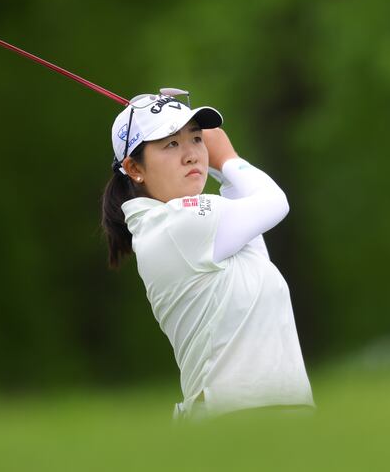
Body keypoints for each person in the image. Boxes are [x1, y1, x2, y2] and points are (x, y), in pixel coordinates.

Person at [100, 90, 314, 420]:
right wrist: (227, 159)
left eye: (196, 139)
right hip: (236, 420)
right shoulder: (175, 224)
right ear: (134, 168)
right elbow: (274, 202)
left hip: (277, 418)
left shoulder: (203, 230)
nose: (191, 155)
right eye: (171, 143)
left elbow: (251, 216)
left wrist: (220, 168)